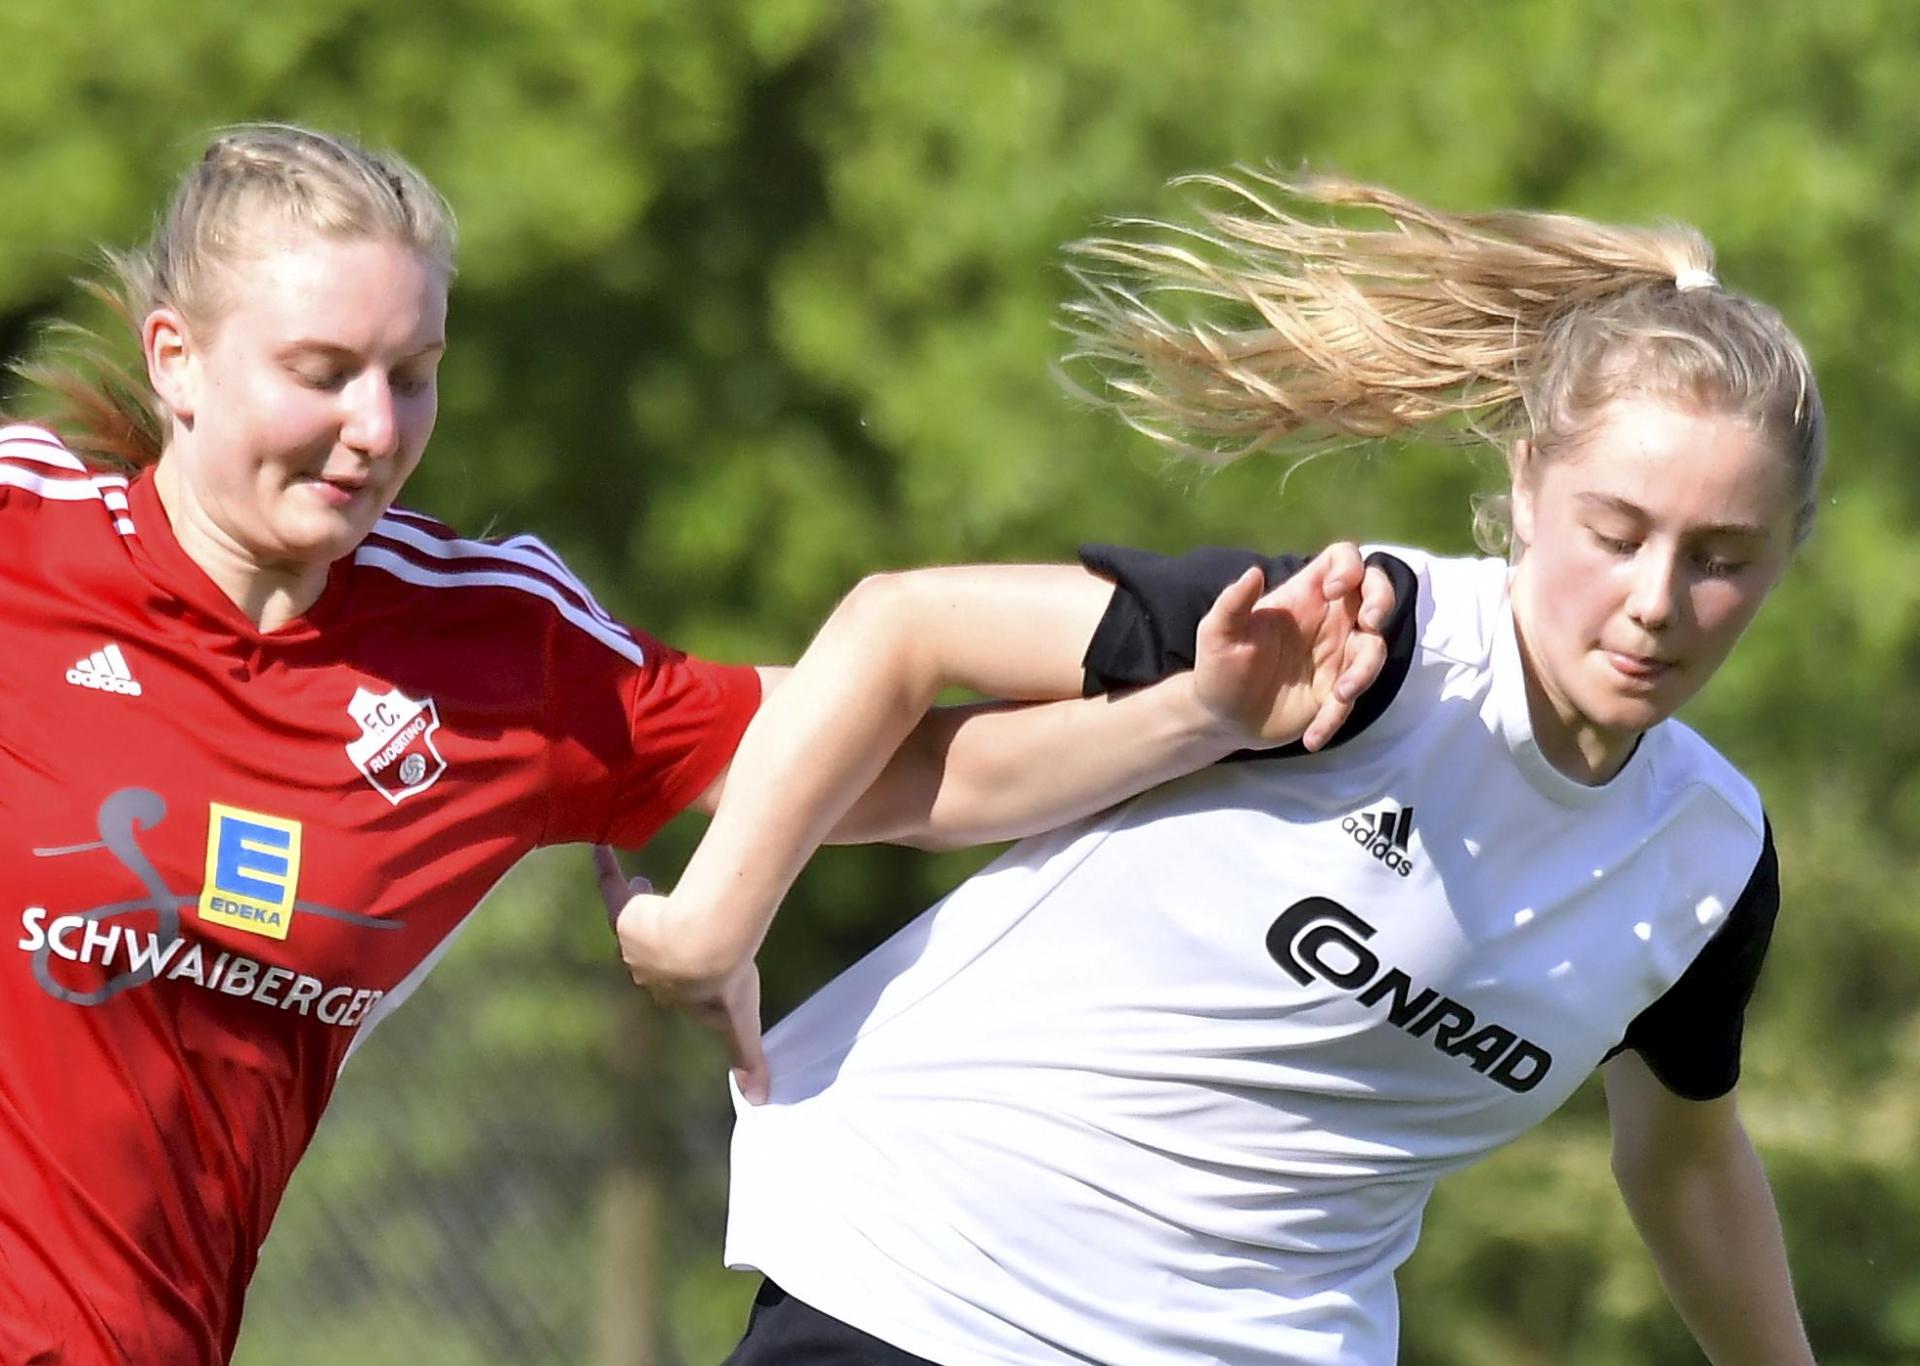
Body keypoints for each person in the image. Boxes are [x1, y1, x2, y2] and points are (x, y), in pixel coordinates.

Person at [0, 128, 1399, 1363]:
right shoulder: (22, 530)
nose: (377, 429)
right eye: (322, 373)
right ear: (175, 359)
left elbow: (877, 759)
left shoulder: (493, 652)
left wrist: (1197, 699)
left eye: (412, 375)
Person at [606, 171, 1825, 1364]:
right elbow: (904, 627)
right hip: (928, 1283)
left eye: (1722, 559)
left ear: (1786, 557)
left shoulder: (1704, 864)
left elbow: (1684, 1154)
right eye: (1617, 535)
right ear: (1523, 487)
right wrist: (717, 917)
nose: (1657, 601)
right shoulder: (1362, 645)